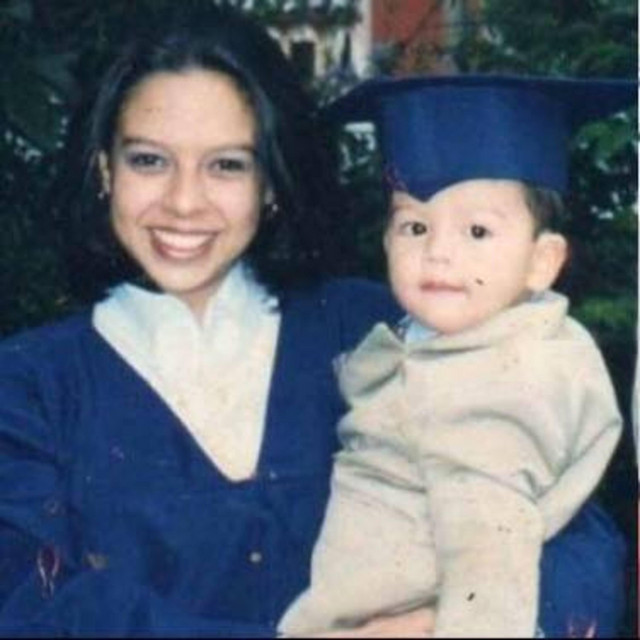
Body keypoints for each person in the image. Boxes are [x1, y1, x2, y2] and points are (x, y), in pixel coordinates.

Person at [0, 3, 627, 636]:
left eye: (227, 164)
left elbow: (580, 545)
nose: (184, 202)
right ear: (104, 170)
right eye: (149, 161)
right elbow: (26, 603)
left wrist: (441, 625)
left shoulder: (388, 332)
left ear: (271, 181)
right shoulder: (30, 388)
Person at [279, 75, 636, 638]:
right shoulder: (450, 340)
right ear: (387, 242)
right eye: (415, 225)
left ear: (542, 261)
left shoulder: (501, 383)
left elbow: (489, 556)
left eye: (477, 231)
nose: (439, 252)